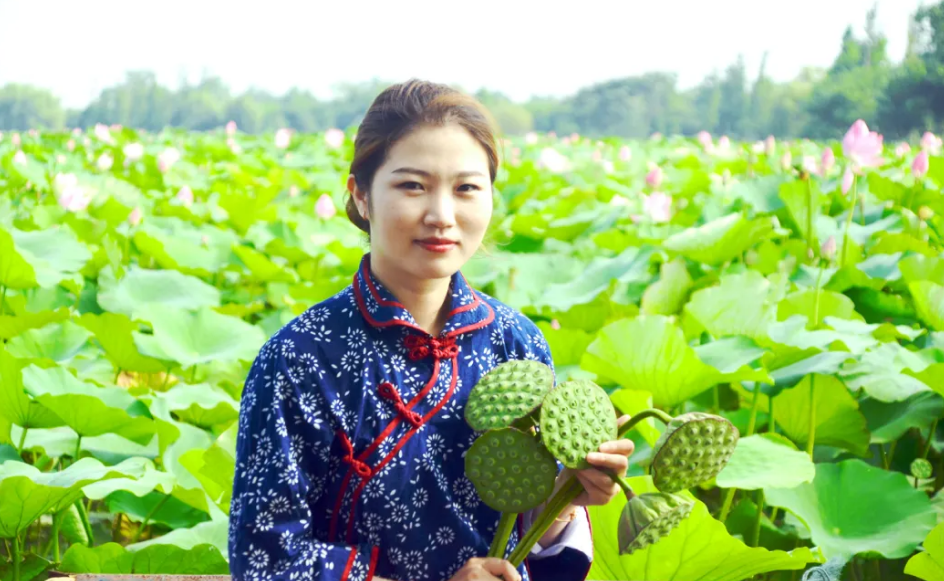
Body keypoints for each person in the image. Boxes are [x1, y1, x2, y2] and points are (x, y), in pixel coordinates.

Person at [228, 79, 635, 581]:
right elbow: (264, 558)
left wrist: (569, 495)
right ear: (360, 194)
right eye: (412, 185)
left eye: (466, 188)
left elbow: (537, 548)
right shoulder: (297, 358)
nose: (442, 216)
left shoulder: (517, 343)